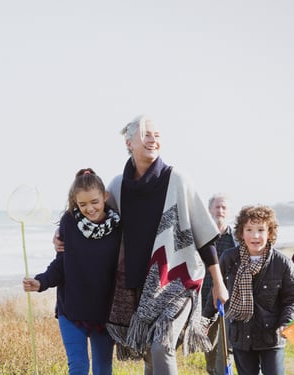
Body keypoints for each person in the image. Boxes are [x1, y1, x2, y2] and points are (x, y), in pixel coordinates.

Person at [55, 115, 229, 374]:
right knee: (149, 352)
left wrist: (218, 283)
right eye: (147, 134)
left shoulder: (178, 180)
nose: (153, 140)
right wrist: (61, 231)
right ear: (129, 143)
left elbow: (204, 236)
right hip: (137, 286)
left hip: (177, 282)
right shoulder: (117, 186)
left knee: (162, 345)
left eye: (157, 135)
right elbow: (93, 216)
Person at [23, 168, 122, 375]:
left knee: (103, 370)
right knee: (78, 368)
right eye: (82, 204)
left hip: (104, 314)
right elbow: (61, 263)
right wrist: (41, 282)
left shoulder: (119, 228)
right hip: (71, 309)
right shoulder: (69, 222)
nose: (90, 209)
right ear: (75, 202)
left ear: (105, 197)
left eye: (95, 202)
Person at [208, 205, 294, 375]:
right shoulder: (229, 258)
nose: (255, 236)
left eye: (261, 230)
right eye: (249, 229)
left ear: (269, 232)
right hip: (241, 335)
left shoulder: (282, 263)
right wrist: (206, 318)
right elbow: (217, 289)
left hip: (272, 336)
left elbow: (290, 298)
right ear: (241, 232)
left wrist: (286, 322)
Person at [202, 194, 238, 375]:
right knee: (208, 347)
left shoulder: (236, 240)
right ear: (210, 210)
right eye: (217, 207)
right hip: (204, 300)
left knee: (225, 352)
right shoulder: (202, 238)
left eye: (224, 207)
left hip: (228, 302)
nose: (220, 211)